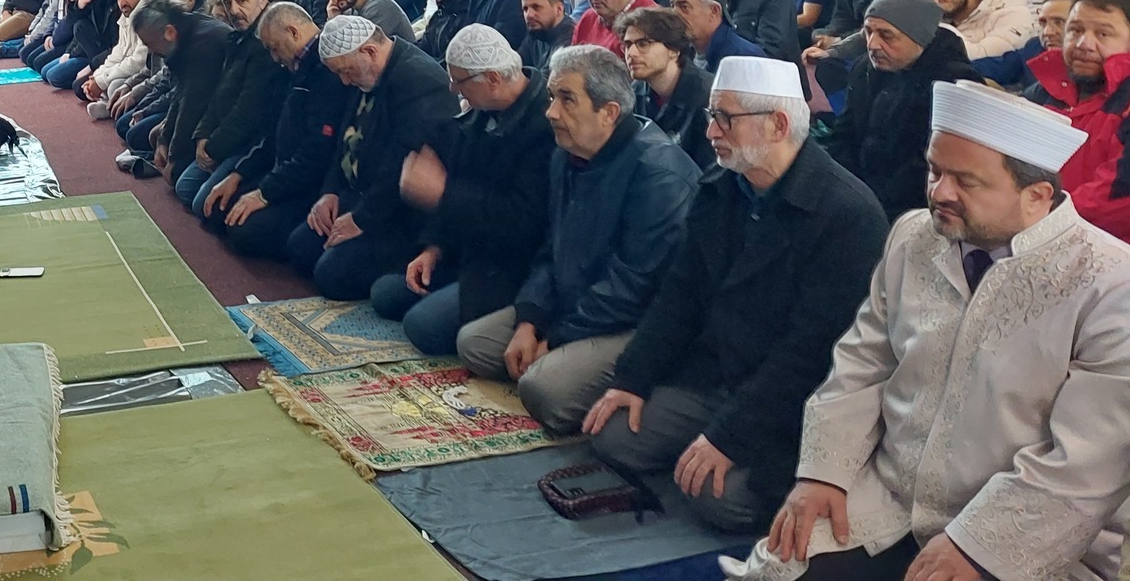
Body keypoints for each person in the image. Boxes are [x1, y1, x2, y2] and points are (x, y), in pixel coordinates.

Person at [739, 82, 1130, 581]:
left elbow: (1085, 464)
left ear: (1037, 196)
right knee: (779, 567)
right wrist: (824, 472)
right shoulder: (916, 236)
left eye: (966, 181)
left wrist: (975, 547)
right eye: (935, 170)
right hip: (892, 497)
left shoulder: (1109, 285)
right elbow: (864, 362)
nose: (939, 192)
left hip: (1033, 535)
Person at [586, 57, 886, 533]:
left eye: (725, 118)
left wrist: (729, 436)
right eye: (711, 117)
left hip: (790, 402)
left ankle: (708, 459)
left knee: (720, 499)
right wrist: (634, 378)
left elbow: (809, 354)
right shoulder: (722, 190)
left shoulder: (847, 215)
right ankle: (692, 452)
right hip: (713, 372)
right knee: (615, 436)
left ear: (778, 124)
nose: (711, 132)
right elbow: (678, 298)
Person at [456, 45, 700, 433]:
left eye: (567, 99)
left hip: (629, 323)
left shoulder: (658, 174)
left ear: (609, 112)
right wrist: (529, 320)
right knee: (473, 342)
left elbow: (631, 287)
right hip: (574, 303)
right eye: (552, 96)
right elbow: (551, 248)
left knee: (543, 390)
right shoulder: (567, 154)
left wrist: (555, 337)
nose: (551, 111)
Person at [374, 25, 555, 354]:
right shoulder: (481, 113)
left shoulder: (543, 126)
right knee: (385, 293)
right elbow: (461, 179)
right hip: (469, 246)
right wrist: (435, 247)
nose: (452, 88)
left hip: (510, 264)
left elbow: (522, 223)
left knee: (422, 326)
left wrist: (442, 194)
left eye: (459, 80)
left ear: (493, 79)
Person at [286, 15, 453, 300]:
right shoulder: (366, 74)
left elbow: (401, 170)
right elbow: (345, 140)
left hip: (398, 213)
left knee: (331, 276)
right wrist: (330, 192)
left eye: (347, 72)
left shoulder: (419, 82)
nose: (344, 80)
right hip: (361, 194)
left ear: (370, 52)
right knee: (300, 247)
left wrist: (361, 219)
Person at [199, 3, 357, 259]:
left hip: (308, 182)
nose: (274, 57)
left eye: (274, 48)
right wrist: (239, 174)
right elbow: (274, 132)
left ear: (293, 33)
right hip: (283, 169)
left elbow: (318, 153)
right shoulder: (292, 68)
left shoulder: (327, 71)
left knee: (243, 230)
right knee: (217, 210)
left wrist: (265, 193)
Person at [822, 0, 983, 220]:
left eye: (886, 35)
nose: (873, 44)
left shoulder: (954, 84)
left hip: (915, 208)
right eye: (868, 32)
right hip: (861, 194)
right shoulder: (865, 69)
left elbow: (930, 167)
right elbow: (844, 135)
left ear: (919, 37)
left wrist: (870, 206)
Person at [174, 0, 287, 214]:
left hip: (250, 143)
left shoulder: (265, 44)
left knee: (202, 204)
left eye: (241, 1)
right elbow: (219, 95)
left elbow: (249, 113)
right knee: (184, 186)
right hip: (225, 135)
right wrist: (203, 134)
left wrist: (214, 148)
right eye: (227, 3)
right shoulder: (237, 38)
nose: (233, 10)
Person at [1023, 0, 1130, 242]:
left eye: (1103, 33)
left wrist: (1035, 218)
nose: (1083, 44)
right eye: (1075, 30)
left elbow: (1118, 196)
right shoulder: (1041, 93)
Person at [129, 0, 232, 188]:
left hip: (222, 121)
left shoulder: (203, 45)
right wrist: (163, 138)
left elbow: (192, 106)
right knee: (152, 136)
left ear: (169, 32)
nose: (150, 51)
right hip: (207, 112)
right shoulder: (187, 27)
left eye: (149, 44)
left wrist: (174, 157)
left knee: (182, 184)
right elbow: (181, 92)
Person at [615, 6, 717, 173]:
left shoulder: (707, 96)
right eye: (627, 45)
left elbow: (710, 170)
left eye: (643, 44)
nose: (631, 53)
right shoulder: (635, 91)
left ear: (674, 50)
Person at [87, 0, 169, 117]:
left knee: (114, 86)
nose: (122, 2)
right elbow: (119, 52)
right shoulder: (126, 18)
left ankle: (112, 106)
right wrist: (98, 76)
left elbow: (139, 62)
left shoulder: (149, 19)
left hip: (148, 76)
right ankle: (110, 105)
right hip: (142, 74)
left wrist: (102, 80)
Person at [671, 0, 765, 73]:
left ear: (714, 11)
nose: (674, 14)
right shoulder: (679, 53)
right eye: (672, 6)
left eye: (684, 7)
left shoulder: (745, 59)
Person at [518, 0, 571, 74]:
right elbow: (516, 65)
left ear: (559, 9)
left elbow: (547, 82)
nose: (529, 15)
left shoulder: (571, 38)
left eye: (536, 7)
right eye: (525, 9)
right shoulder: (536, 31)